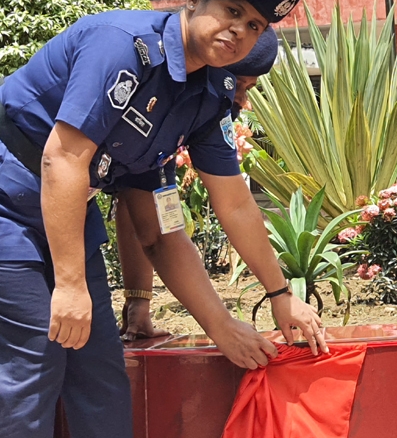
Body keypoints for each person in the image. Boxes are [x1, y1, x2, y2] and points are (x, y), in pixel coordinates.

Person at [0, 0, 328, 438]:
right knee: (35, 360)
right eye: (232, 12)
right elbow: (63, 159)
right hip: (10, 195)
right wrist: (71, 285)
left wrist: (277, 298)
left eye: (255, 26)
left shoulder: (205, 97)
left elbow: (211, 214)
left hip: (66, 210)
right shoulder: (120, 45)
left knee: (97, 363)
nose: (239, 33)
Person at [117, 27, 279, 340]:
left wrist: (138, 303)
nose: (243, 102)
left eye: (250, 89)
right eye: (239, 86)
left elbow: (137, 199)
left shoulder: (203, 112)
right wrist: (223, 326)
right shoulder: (168, 96)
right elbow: (148, 224)